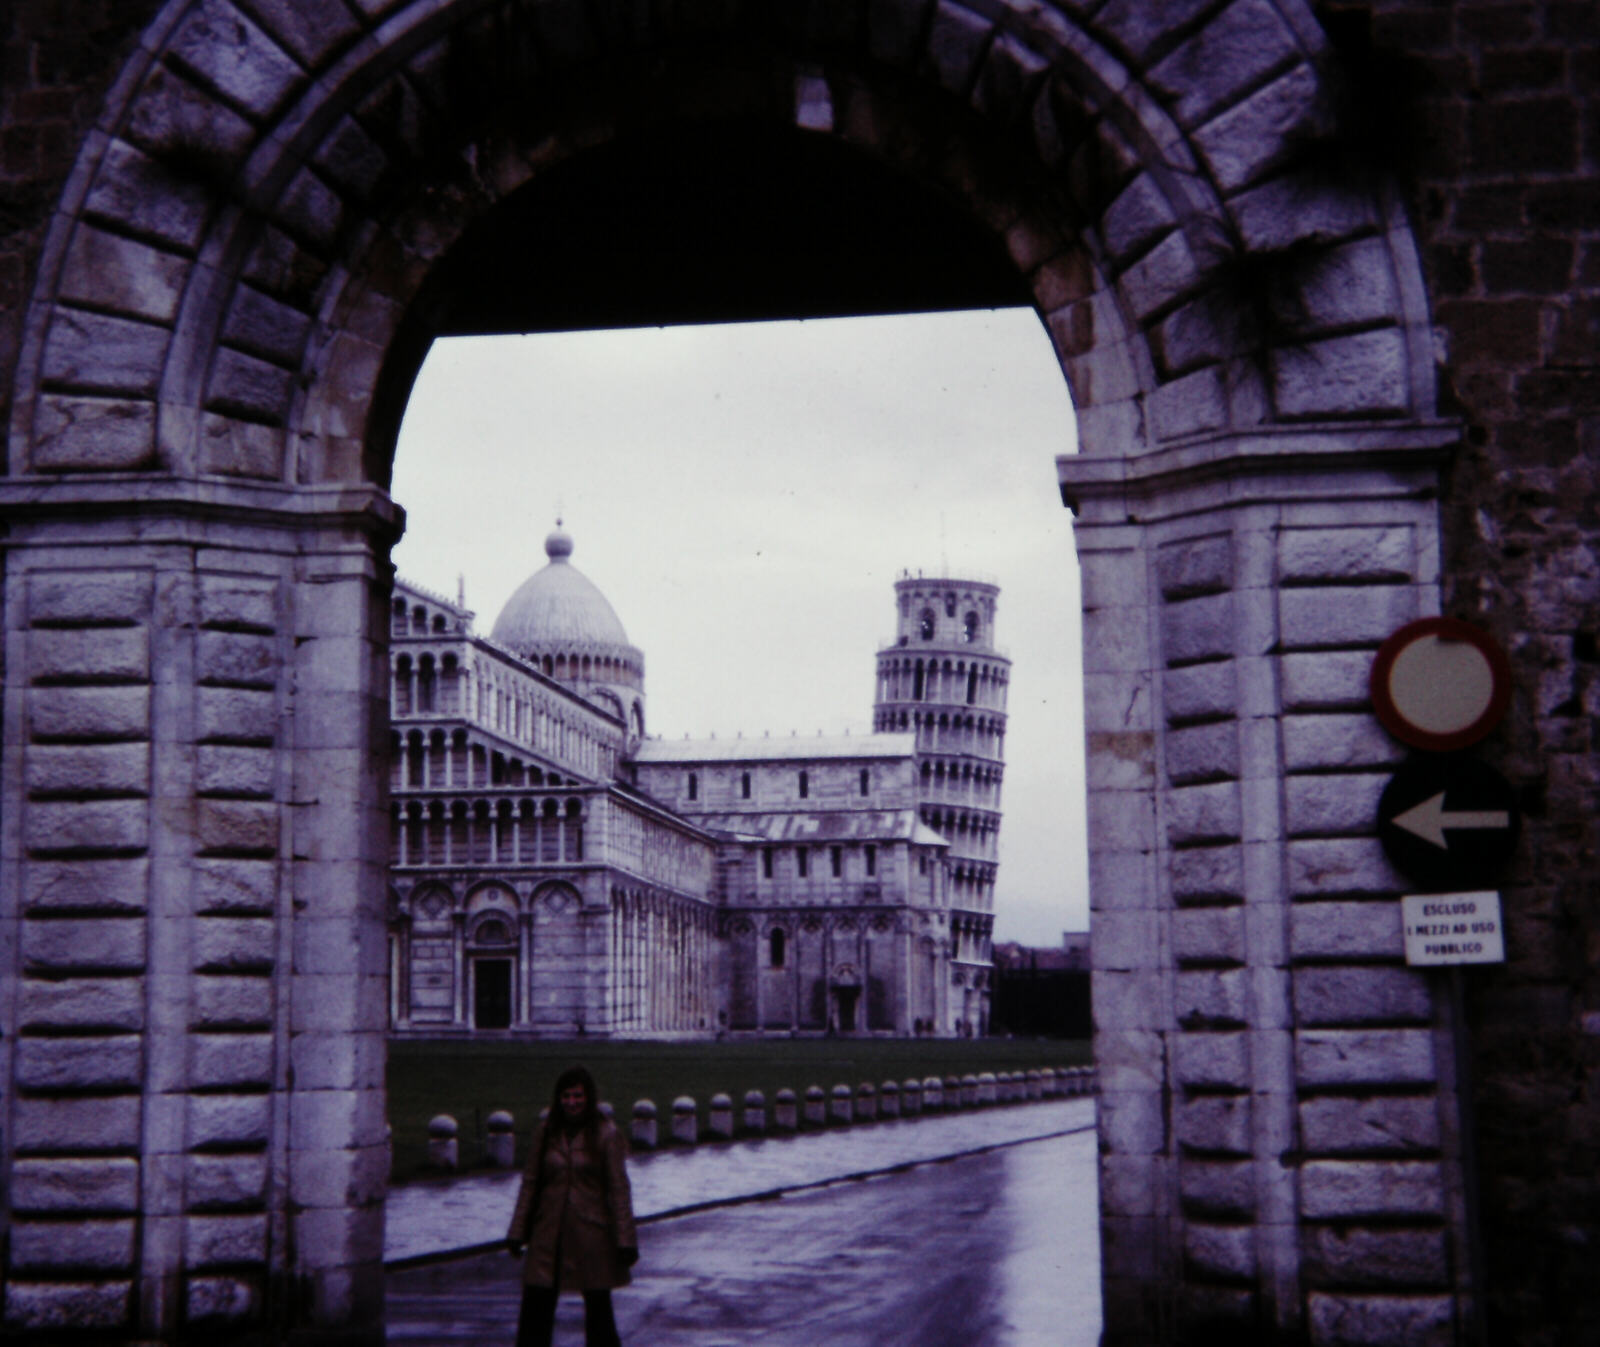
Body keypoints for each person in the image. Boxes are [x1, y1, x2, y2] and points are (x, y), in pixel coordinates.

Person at [506, 1066, 638, 1347]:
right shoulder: (546, 1133)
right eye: (566, 1096)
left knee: (599, 1314)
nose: (572, 1102)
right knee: (535, 1312)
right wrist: (517, 1231)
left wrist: (626, 1239)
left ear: (589, 1098)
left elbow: (619, 1190)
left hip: (591, 1235)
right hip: (548, 1234)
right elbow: (530, 1183)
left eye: (578, 1096)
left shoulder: (606, 1134)